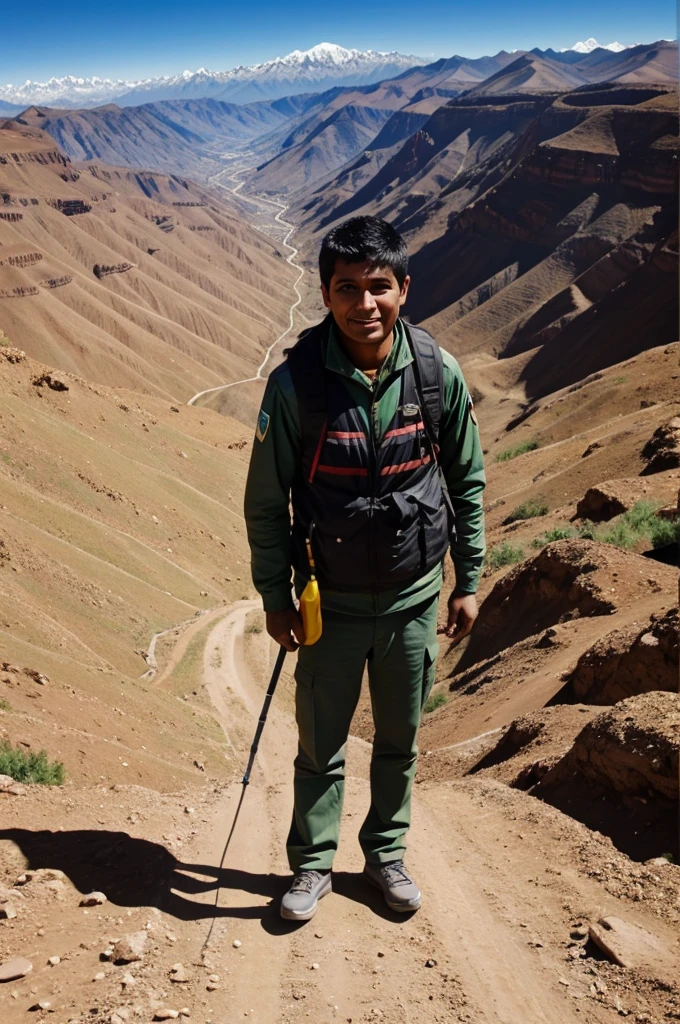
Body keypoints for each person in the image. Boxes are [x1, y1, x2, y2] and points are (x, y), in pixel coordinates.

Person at [243, 216, 485, 921]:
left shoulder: (438, 375)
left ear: (404, 288)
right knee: (321, 744)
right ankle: (313, 866)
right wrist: (275, 599)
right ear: (325, 293)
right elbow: (266, 504)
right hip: (332, 606)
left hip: (413, 599)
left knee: (400, 741)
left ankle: (386, 855)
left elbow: (466, 481)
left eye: (379, 286)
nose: (365, 303)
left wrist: (468, 581)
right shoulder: (296, 387)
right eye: (348, 288)